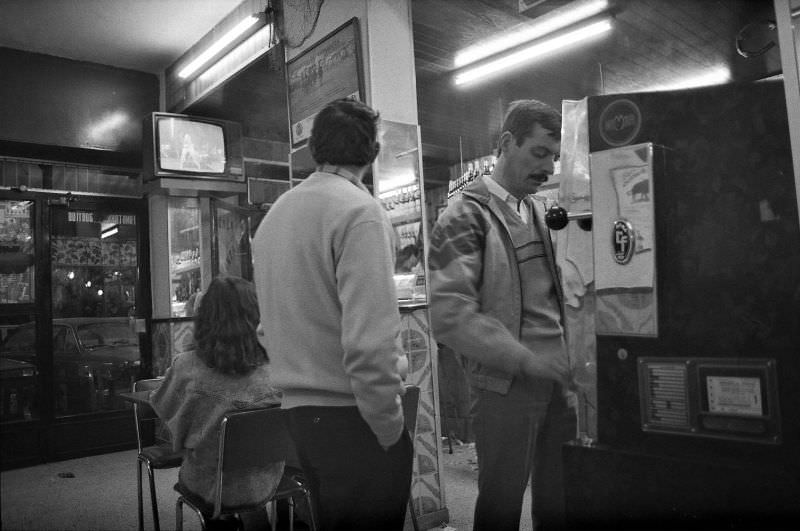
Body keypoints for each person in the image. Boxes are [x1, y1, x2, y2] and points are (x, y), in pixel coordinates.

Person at [252, 98, 412, 531]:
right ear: (373, 152)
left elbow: (266, 329)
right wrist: (389, 427)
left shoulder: (273, 218)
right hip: (354, 416)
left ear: (314, 149)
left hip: (300, 417)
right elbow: (370, 342)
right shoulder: (360, 213)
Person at [428, 99, 577, 531]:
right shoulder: (462, 216)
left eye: (553, 156)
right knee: (502, 503)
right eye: (538, 153)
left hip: (557, 382)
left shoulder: (535, 210)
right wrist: (526, 360)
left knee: (561, 498)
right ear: (507, 143)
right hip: (506, 385)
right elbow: (449, 314)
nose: (548, 167)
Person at [151, 275, 281, 530]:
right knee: (247, 490)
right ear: (256, 315)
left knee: (212, 475)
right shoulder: (279, 370)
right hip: (266, 481)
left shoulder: (186, 367)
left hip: (207, 483)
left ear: (204, 316)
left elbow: (168, 418)